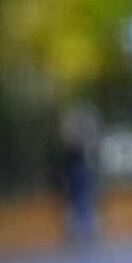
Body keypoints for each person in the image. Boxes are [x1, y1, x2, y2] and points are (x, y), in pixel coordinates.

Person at [48, 106, 103, 248]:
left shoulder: (80, 148)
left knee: (83, 207)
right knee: (74, 209)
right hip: (74, 184)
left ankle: (88, 235)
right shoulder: (69, 149)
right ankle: (76, 236)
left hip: (80, 182)